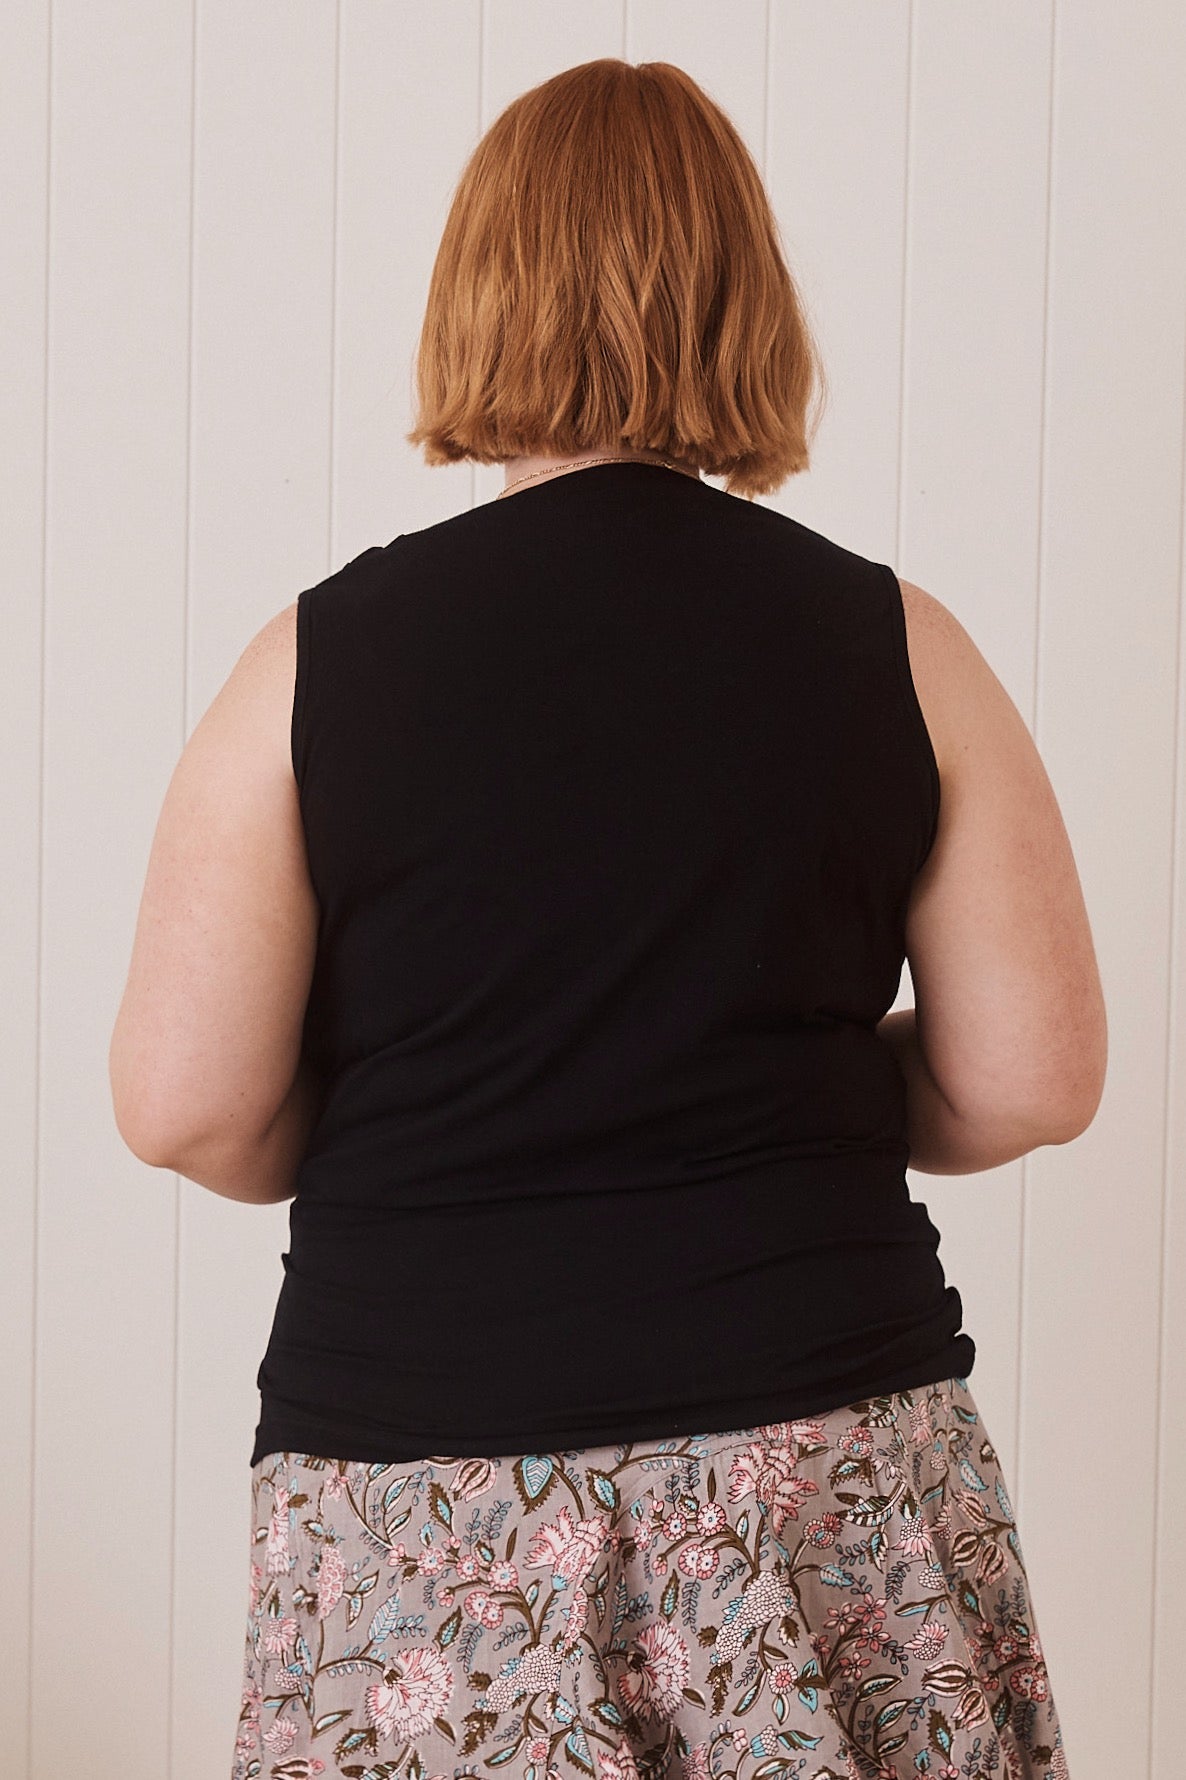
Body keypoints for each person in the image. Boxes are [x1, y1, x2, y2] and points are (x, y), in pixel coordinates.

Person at [109, 57, 1102, 1780]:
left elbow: (188, 1107)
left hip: (426, 1501)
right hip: (819, 1464)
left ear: (474, 295)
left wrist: (453, 1106)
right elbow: (1026, 1081)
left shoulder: (310, 667)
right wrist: (760, 1088)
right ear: (746, 299)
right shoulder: (902, 647)